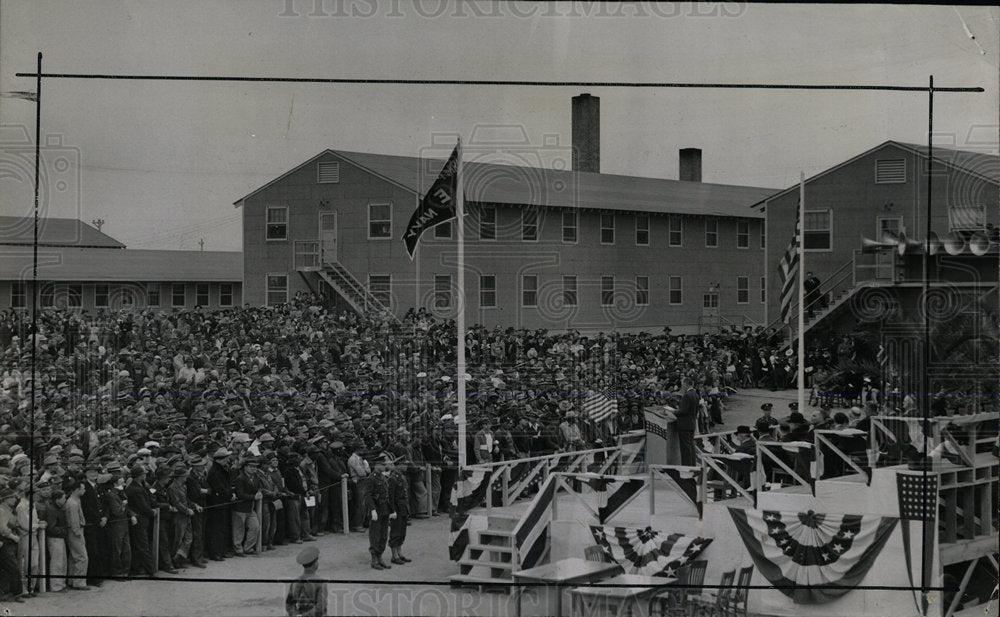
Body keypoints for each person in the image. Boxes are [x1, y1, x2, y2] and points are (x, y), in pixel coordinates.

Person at [366, 456, 394, 570]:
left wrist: (391, 510)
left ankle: (380, 557)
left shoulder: (382, 477)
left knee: (383, 535)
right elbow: (368, 496)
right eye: (382, 464)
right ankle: (374, 559)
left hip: (384, 509)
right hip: (377, 510)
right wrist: (372, 510)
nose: (384, 466)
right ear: (376, 465)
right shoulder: (371, 478)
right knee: (375, 535)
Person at [62, 480, 91, 591]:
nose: (84, 490)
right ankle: (79, 582)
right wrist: (77, 533)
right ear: (77, 489)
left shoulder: (74, 501)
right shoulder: (72, 503)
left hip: (75, 530)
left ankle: (72, 580)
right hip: (75, 531)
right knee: (82, 557)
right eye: (83, 488)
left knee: (74, 557)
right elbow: (74, 520)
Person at [285, 546, 327, 617]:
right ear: (315, 564)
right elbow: (320, 607)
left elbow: (289, 604)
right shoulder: (321, 583)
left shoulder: (295, 582)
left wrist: (295, 614)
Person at [386, 455, 411, 566]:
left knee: (402, 531)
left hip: (403, 507)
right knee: (395, 531)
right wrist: (392, 510)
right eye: (404, 464)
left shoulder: (401, 477)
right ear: (399, 465)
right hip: (397, 508)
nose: (406, 466)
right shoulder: (393, 478)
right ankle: (394, 555)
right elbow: (390, 496)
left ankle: (400, 553)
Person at [674, 377, 700, 466]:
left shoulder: (687, 395)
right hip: (692, 422)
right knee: (691, 446)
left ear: (685, 384)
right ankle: (692, 465)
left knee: (685, 447)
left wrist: (674, 411)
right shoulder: (696, 394)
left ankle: (687, 466)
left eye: (682, 385)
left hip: (684, 424)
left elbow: (683, 411)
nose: (682, 387)